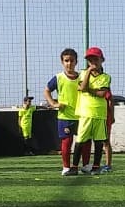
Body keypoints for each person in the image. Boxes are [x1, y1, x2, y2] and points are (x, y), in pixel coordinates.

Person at [43, 48, 82, 176]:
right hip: (65, 116)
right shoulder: (58, 78)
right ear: (62, 62)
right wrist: (53, 104)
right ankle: (66, 167)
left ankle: (86, 166)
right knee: (67, 142)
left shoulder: (82, 77)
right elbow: (47, 90)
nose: (69, 63)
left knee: (84, 142)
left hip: (82, 115)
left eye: (72, 60)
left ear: (76, 62)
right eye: (66, 61)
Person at [75, 47, 112, 175]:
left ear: (102, 60)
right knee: (80, 140)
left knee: (99, 141)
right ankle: (74, 167)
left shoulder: (106, 77)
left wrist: (88, 90)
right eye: (90, 60)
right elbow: (82, 86)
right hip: (85, 112)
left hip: (100, 114)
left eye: (95, 59)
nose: (93, 62)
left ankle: (96, 167)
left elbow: (102, 93)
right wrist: (88, 72)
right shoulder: (83, 73)